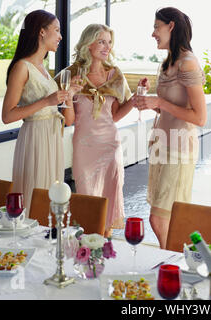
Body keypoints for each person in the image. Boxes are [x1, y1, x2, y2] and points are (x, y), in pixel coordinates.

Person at [136, 7, 207, 248]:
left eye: (157, 27)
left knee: (160, 218)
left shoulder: (188, 64)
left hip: (178, 149)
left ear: (171, 27)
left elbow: (199, 117)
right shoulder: (168, 63)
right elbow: (169, 107)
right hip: (162, 145)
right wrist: (150, 102)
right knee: (162, 216)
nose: (153, 33)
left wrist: (160, 101)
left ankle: (171, 264)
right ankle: (173, 264)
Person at [2, 10, 80, 213]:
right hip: (35, 138)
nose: (60, 36)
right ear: (42, 32)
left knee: (49, 198)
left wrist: (69, 93)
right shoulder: (22, 67)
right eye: (57, 30)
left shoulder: (44, 69)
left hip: (52, 138)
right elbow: (7, 115)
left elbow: (68, 118)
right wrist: (47, 100)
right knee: (34, 196)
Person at [59, 24, 134, 238]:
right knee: (88, 198)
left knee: (109, 199)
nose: (107, 47)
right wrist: (70, 92)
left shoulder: (115, 74)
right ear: (88, 44)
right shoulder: (71, 74)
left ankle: (105, 247)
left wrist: (135, 100)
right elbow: (69, 121)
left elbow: (116, 115)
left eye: (109, 42)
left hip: (110, 145)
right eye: (101, 41)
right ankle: (90, 246)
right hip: (84, 146)